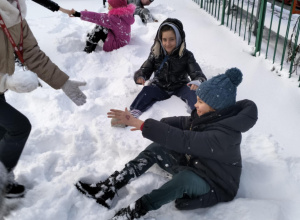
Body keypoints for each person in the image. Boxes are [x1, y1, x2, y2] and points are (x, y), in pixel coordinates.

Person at [75, 68, 258, 220]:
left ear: (215, 107)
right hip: (197, 164)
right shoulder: (210, 117)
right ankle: (111, 187)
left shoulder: (224, 136)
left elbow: (185, 140)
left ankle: (137, 210)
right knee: (158, 147)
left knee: (184, 180)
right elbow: (186, 123)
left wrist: (142, 125)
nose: (195, 105)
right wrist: (162, 124)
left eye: (200, 102)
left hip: (214, 183)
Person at [0, 0, 87, 199]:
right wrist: (6, 80)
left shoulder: (15, 12)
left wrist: (63, 82)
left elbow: (31, 54)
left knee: (3, 130)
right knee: (18, 127)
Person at [113, 18, 206, 126]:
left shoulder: (186, 55)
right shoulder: (156, 53)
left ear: (179, 38)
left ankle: (201, 116)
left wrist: (197, 81)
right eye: (164, 39)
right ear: (160, 39)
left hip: (180, 86)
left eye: (172, 39)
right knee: (148, 90)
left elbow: (197, 73)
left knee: (193, 92)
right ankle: (133, 113)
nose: (167, 43)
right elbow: (145, 68)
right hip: (160, 86)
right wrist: (141, 76)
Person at [71, 0, 136, 53]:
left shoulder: (114, 19)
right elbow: (104, 17)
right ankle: (92, 37)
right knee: (103, 23)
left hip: (117, 44)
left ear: (116, 7)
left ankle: (88, 49)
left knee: (100, 27)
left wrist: (79, 14)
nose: (108, 8)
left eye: (110, 6)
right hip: (123, 41)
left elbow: (97, 17)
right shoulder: (125, 15)